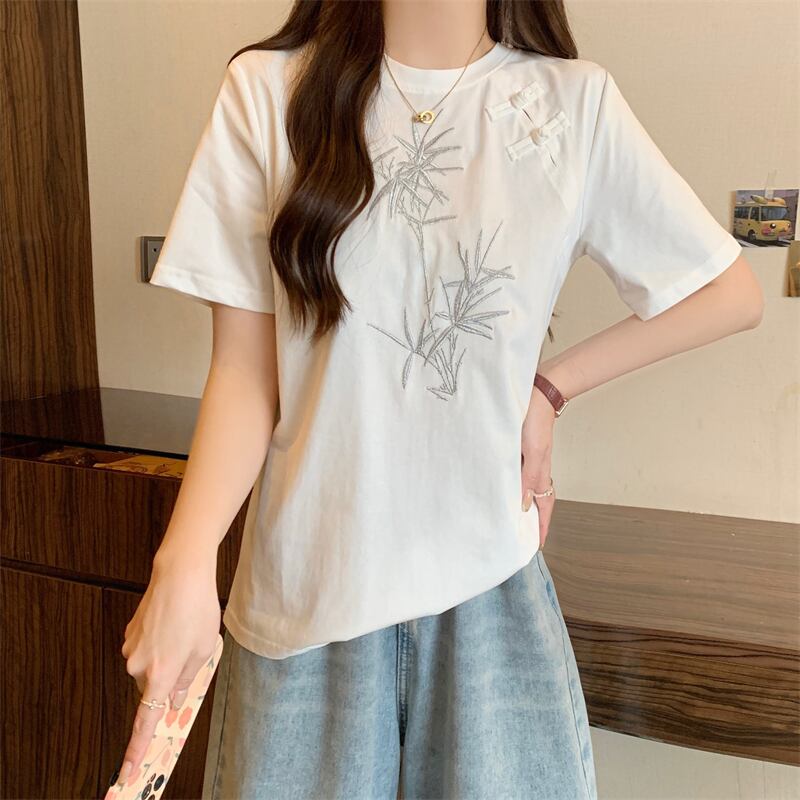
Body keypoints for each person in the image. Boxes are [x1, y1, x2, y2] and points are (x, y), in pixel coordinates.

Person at [117, 1, 763, 798]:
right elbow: (247, 372)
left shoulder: (570, 105)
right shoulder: (269, 92)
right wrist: (183, 563)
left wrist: (549, 388)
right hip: (307, 595)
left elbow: (726, 293)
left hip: (489, 595)